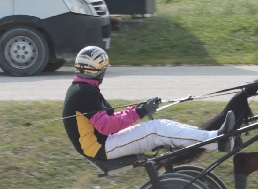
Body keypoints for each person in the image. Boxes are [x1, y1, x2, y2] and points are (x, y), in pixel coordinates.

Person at [62, 46, 235, 160]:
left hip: (106, 142)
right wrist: (139, 112)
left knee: (161, 125)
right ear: (98, 71)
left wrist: (138, 108)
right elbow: (106, 126)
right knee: (156, 129)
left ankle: (212, 136)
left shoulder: (83, 88)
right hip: (101, 147)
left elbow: (109, 119)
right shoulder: (83, 93)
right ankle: (215, 140)